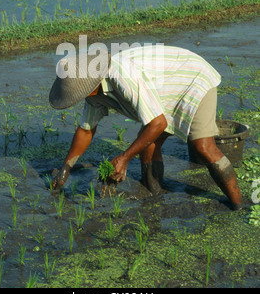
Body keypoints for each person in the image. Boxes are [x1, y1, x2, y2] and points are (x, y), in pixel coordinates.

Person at [49, 43, 243, 211]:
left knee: (203, 146)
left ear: (88, 87)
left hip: (192, 78)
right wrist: (66, 168)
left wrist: (124, 158)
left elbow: (158, 123)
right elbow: (86, 130)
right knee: (148, 145)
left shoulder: (122, 76)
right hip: (163, 88)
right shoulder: (92, 94)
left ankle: (239, 205)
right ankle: (156, 195)